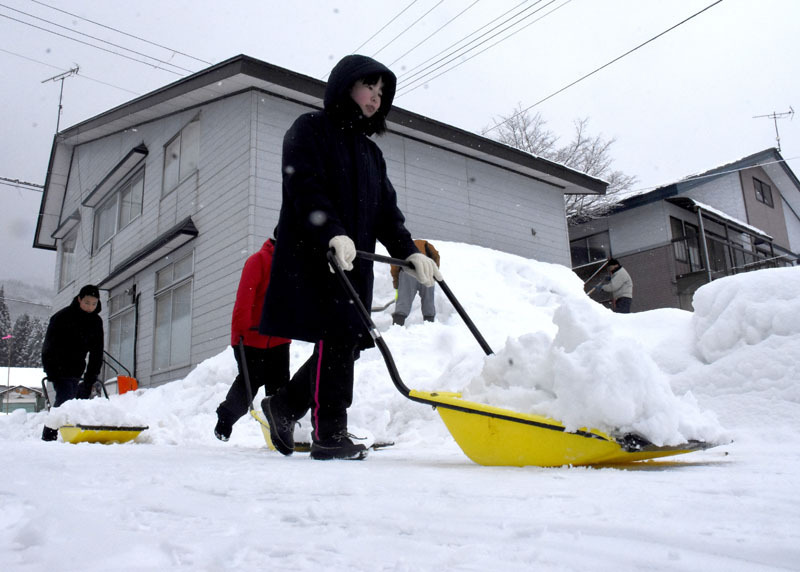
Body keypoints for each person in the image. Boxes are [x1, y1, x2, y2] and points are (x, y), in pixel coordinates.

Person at [258, 54, 441, 461]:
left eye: (381, 93)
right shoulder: (309, 130)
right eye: (368, 88)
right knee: (337, 339)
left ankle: (285, 405)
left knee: (343, 344)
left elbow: (386, 214)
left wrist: (409, 253)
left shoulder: (371, 154)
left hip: (352, 262)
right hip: (315, 255)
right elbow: (305, 188)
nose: (375, 99)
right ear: (345, 85)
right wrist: (332, 231)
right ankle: (329, 435)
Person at [214, 236, 291, 442]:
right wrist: (242, 329)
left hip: (279, 338)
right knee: (250, 383)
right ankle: (225, 418)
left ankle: (281, 434)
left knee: (280, 388)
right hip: (251, 338)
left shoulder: (290, 264)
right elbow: (245, 297)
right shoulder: (258, 261)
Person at [40, 284, 104, 441]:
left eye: (94, 304)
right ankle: (49, 434)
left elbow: (97, 351)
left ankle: (75, 435)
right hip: (59, 367)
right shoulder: (62, 317)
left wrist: (91, 377)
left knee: (79, 402)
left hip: (77, 370)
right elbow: (48, 346)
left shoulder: (96, 322)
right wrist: (51, 371)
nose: (90, 307)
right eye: (87, 302)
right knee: (65, 400)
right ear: (79, 299)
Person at [391, 239, 440, 325]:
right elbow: (436, 255)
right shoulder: (426, 244)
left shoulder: (402, 246)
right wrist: (435, 270)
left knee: (404, 300)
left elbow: (394, 265)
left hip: (408, 271)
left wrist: (397, 284)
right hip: (426, 270)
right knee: (428, 300)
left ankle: (398, 324)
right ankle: (430, 323)